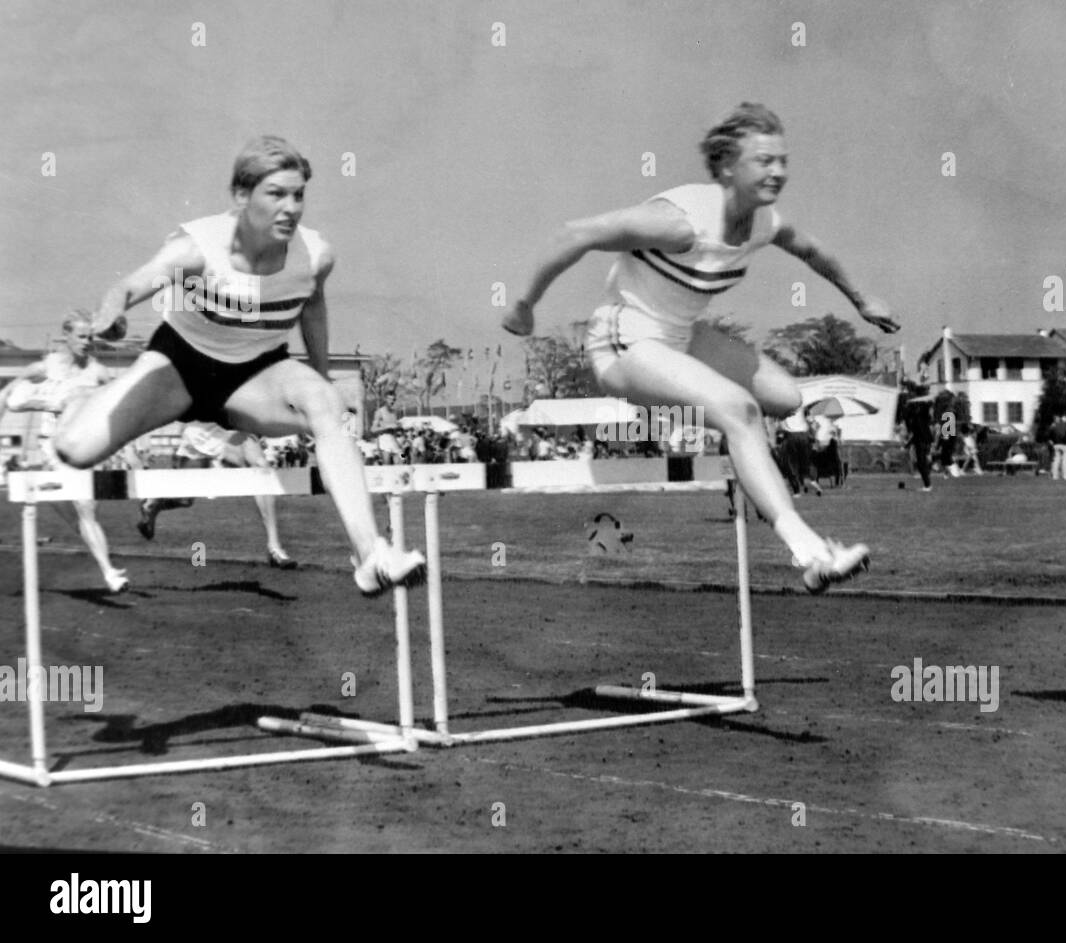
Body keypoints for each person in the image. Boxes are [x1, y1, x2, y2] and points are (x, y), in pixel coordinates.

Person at [502, 103, 898, 592]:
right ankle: (810, 552)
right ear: (728, 167)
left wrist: (860, 299)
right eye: (764, 161)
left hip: (682, 337)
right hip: (623, 342)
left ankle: (736, 450)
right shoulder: (680, 222)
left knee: (786, 398)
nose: (778, 172)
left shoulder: (763, 223)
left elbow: (812, 250)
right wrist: (524, 304)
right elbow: (577, 233)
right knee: (741, 409)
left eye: (783, 161)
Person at [53, 136, 424, 597]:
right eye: (277, 194)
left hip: (254, 374)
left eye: (299, 195)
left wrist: (320, 379)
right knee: (74, 449)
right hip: (179, 365)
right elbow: (127, 287)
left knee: (326, 405)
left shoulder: (316, 255)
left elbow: (312, 306)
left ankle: (370, 556)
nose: (291, 208)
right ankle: (83, 403)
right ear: (242, 196)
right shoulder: (196, 248)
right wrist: (109, 316)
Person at [0, 311, 129, 592]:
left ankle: (104, 563)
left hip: (84, 444)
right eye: (81, 337)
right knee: (84, 507)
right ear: (66, 336)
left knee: (86, 512)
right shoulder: (46, 366)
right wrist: (43, 402)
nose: (87, 342)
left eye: (90, 337)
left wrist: (129, 445)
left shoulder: (98, 371)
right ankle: (110, 573)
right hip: (53, 445)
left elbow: (120, 405)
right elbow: (10, 397)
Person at [136, 421, 298, 569]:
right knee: (185, 499)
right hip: (200, 430)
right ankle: (153, 504)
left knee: (260, 467)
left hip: (233, 429)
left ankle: (274, 547)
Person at [370, 391, 402, 465]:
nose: (392, 401)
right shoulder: (380, 412)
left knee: (403, 457)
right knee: (386, 464)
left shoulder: (394, 412)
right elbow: (373, 429)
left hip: (394, 438)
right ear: (385, 399)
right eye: (390, 399)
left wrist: (399, 428)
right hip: (384, 439)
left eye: (394, 399)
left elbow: (394, 427)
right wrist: (386, 427)